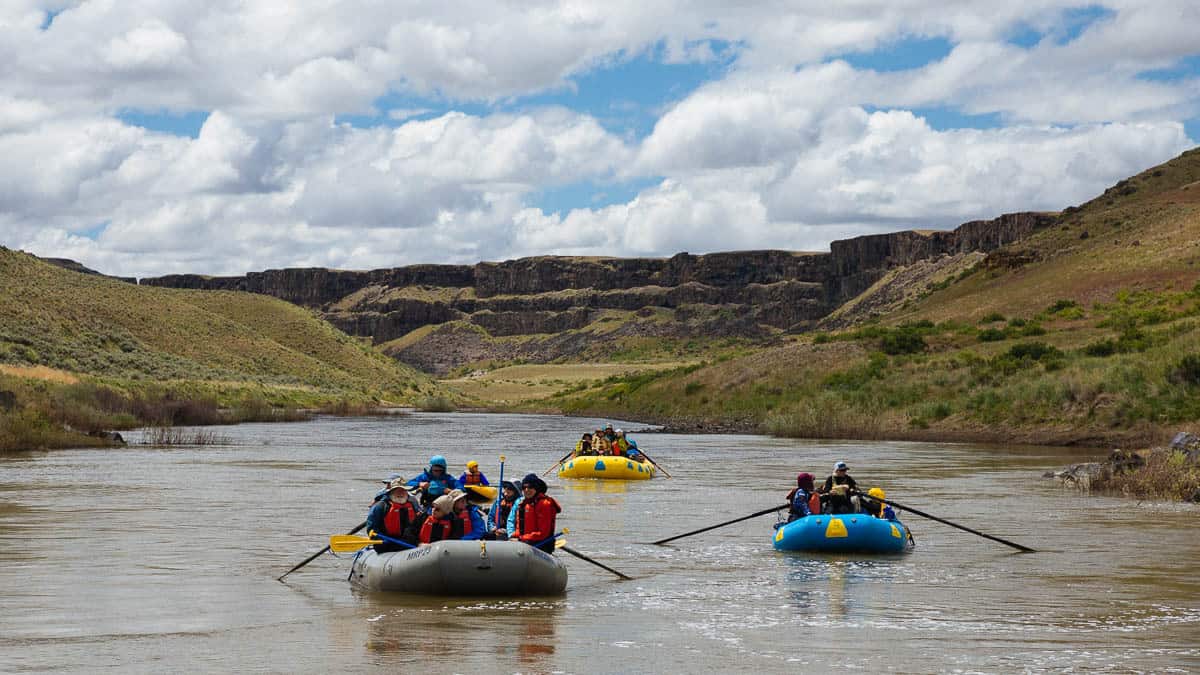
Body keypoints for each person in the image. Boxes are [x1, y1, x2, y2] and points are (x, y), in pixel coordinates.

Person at [366, 478, 421, 551]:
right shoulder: (381, 506)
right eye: (397, 490)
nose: (400, 493)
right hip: (386, 542)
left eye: (403, 490)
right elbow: (371, 528)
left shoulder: (412, 505)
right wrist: (380, 538)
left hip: (407, 541)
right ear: (391, 492)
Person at [512, 473, 561, 553]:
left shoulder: (545, 504)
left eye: (530, 487)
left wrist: (521, 539)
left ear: (537, 488)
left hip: (541, 545)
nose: (527, 490)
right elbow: (519, 530)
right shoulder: (522, 504)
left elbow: (543, 533)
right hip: (525, 542)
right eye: (524, 487)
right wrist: (513, 536)